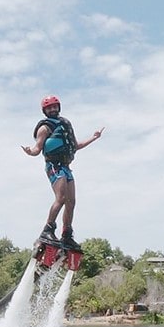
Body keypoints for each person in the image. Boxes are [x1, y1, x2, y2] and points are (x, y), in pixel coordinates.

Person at [22, 95, 104, 250]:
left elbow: (76, 145)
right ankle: (47, 230)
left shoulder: (65, 125)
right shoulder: (44, 128)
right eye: (49, 108)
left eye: (54, 106)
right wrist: (29, 152)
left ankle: (66, 234)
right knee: (61, 198)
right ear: (45, 110)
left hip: (65, 167)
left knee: (71, 201)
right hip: (54, 165)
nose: (52, 109)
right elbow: (37, 148)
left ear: (58, 107)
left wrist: (94, 138)